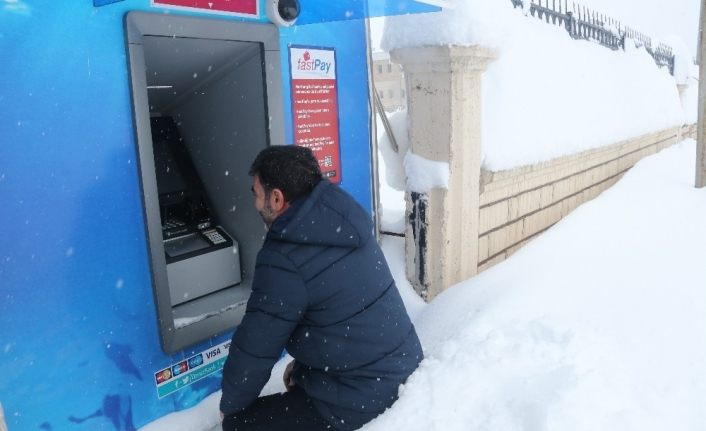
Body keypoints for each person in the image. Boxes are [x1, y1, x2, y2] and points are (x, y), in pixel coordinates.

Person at [220, 146, 423, 431]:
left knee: (239, 424)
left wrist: (230, 407)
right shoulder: (340, 217)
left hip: (363, 399)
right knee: (295, 380)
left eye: (255, 193)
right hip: (399, 367)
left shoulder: (284, 255)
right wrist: (306, 371)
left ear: (276, 198)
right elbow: (340, 316)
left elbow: (255, 348)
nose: (254, 203)